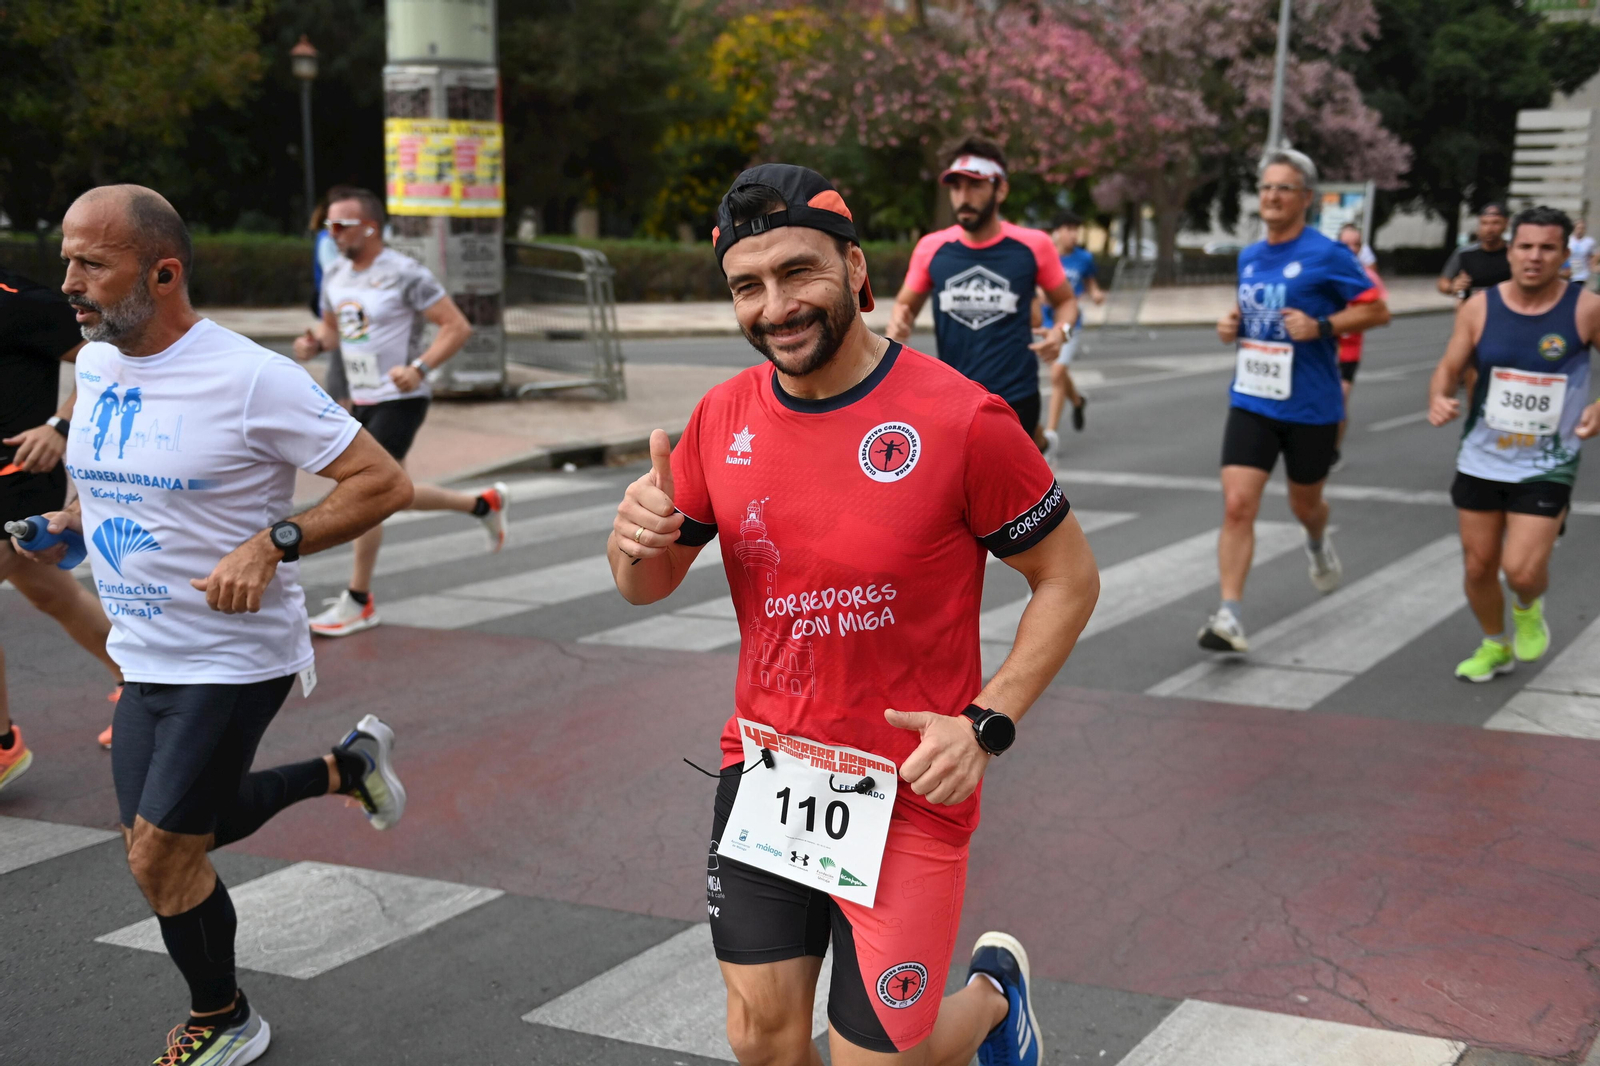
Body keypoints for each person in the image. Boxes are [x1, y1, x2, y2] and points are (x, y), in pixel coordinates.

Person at [608, 162, 1100, 1066]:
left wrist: (986, 723)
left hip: (911, 785)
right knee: (761, 1040)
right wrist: (634, 538)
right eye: (748, 287)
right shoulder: (721, 418)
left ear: (858, 271)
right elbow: (647, 584)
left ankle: (995, 1004)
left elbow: (1068, 578)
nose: (776, 306)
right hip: (769, 770)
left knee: (875, 1061)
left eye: (799, 273)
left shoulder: (967, 422)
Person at [19, 184, 416, 1064]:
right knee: (173, 834)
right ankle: (343, 768)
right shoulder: (98, 364)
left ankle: (224, 1019)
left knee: (161, 857)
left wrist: (273, 543)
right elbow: (109, 483)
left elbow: (381, 482)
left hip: (233, 654)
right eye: (66, 263)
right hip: (141, 651)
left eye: (92, 264)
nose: (70, 284)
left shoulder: (251, 376)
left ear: (162, 273)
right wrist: (68, 526)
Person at [293, 187, 509, 636]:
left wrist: (420, 367)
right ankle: (482, 505)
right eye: (328, 225)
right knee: (397, 491)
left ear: (370, 228)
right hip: (362, 398)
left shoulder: (405, 273)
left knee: (367, 491)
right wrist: (313, 343)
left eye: (342, 225)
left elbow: (457, 325)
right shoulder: (335, 273)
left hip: (402, 399)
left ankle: (358, 599)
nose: (331, 233)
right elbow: (334, 332)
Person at [1202, 149, 1391, 652]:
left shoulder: (1328, 254)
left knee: (1305, 505)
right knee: (1238, 505)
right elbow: (1252, 314)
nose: (1271, 196)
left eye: (1283, 187)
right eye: (1265, 187)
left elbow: (1377, 311)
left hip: (1311, 405)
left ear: (1305, 197)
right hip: (1252, 400)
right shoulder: (1250, 256)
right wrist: (1231, 325)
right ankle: (1229, 614)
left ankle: (1316, 540)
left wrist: (1323, 326)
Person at [1426, 205, 1600, 683]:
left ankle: (1527, 606)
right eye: (1525, 246)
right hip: (1481, 456)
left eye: (1547, 248)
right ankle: (1494, 644)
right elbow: (1448, 365)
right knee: (1479, 564)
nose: (1534, 257)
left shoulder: (1585, 308)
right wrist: (1439, 396)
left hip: (1548, 461)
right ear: (1511, 250)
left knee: (1520, 570)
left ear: (1565, 255)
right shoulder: (1480, 306)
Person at [0, 267, 124, 781]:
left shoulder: (15, 300)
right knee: (54, 594)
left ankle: (3, 744)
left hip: (15, 476)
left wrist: (61, 426)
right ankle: (150, 686)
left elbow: (112, 357)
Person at [886, 139, 1079, 445]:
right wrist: (900, 320)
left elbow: (1066, 301)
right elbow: (904, 304)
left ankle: (1039, 444)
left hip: (1016, 395)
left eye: (975, 186)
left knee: (1007, 488)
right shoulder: (932, 248)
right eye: (956, 187)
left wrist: (1061, 332)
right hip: (954, 395)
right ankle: (1041, 444)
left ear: (1000, 189)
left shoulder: (1033, 245)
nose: (963, 197)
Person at [1037, 210, 1105, 460]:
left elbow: (1090, 283)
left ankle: (1050, 436)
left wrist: (1096, 294)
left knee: (1056, 372)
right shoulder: (1045, 256)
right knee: (1060, 371)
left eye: (1077, 229)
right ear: (1056, 231)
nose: (1074, 235)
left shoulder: (1083, 258)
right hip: (1045, 323)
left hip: (1069, 325)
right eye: (1069, 229)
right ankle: (1077, 401)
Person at [1331, 223, 1388, 471]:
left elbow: (1382, 314)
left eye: (1357, 244)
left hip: (1349, 349)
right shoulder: (1325, 271)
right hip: (1323, 347)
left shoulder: (1367, 277)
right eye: (1347, 244)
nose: (1352, 249)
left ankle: (1333, 451)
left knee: (1339, 400)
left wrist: (1356, 318)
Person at [308, 189, 350, 406]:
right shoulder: (327, 240)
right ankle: (341, 407)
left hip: (339, 304)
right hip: (335, 305)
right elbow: (333, 273)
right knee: (337, 358)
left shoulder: (325, 238)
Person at [1438, 204, 1511, 300]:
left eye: (1495, 223)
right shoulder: (1464, 253)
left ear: (1505, 224)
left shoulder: (1513, 253)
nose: (1489, 229)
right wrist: (1453, 287)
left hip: (1505, 311)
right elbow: (1443, 282)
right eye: (1484, 223)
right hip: (1472, 311)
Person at [1565, 216, 1595, 290]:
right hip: (1568, 272)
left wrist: (1592, 267)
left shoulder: (1589, 242)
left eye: (1582, 228)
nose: (1580, 230)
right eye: (1578, 228)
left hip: (1582, 274)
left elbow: (1592, 257)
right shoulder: (1568, 240)